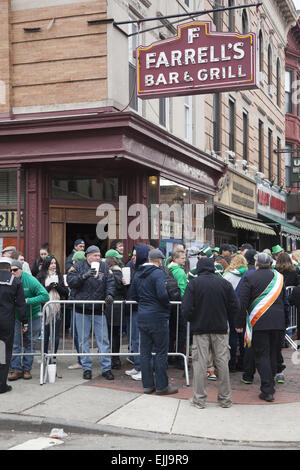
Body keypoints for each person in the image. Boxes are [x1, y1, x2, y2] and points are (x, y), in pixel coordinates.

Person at [182, 257, 240, 409]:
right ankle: (225, 399)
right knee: (222, 362)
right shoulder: (224, 283)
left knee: (199, 363)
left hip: (200, 328)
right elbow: (235, 305)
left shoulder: (194, 284)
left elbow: (186, 308)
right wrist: (226, 316)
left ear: (199, 269)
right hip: (220, 327)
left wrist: (193, 319)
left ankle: (199, 399)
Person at [236, 253, 289, 402]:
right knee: (273, 353)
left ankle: (267, 390)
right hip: (278, 323)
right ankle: (270, 382)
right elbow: (285, 302)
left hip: (259, 323)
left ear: (256, 263)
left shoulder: (249, 277)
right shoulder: (279, 278)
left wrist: (239, 324)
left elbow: (243, 302)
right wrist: (285, 321)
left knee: (262, 355)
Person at [129, 248, 178, 395]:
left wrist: (144, 304)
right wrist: (167, 306)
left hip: (142, 315)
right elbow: (162, 294)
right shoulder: (158, 273)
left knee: (145, 352)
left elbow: (133, 294)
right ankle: (162, 386)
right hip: (158, 316)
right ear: (158, 260)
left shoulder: (138, 273)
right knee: (161, 352)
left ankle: (147, 385)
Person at [67, 245, 115, 381]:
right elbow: (70, 281)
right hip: (81, 310)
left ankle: (106, 368)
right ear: (88, 256)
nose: (98, 258)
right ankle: (86, 368)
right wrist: (84, 276)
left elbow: (110, 282)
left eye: (99, 256)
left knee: (103, 340)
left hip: (99, 309)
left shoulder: (104, 267)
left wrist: (110, 294)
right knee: (83, 341)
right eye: (95, 256)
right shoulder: (78, 266)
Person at [9, 261, 50, 381]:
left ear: (21, 270)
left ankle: (27, 369)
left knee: (31, 342)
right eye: (10, 270)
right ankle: (16, 369)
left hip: (33, 315)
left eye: (15, 270)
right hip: (15, 316)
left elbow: (45, 296)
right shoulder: (8, 280)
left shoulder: (30, 280)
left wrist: (27, 301)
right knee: (15, 343)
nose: (12, 272)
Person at [0, 257, 27, 394]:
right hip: (6, 322)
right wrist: (24, 322)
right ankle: (1, 385)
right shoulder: (15, 281)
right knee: (3, 352)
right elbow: (21, 305)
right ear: (10, 268)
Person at [125, 245, 150, 380]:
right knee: (133, 339)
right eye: (132, 255)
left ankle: (142, 368)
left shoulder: (146, 270)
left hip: (141, 309)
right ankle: (137, 365)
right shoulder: (131, 266)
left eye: (135, 255)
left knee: (140, 340)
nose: (133, 258)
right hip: (132, 309)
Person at [37, 256, 69, 357]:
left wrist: (57, 286)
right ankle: (45, 355)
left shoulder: (59, 276)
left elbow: (66, 293)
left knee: (55, 335)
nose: (53, 265)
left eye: (55, 263)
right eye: (51, 263)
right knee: (46, 335)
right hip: (44, 309)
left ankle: (53, 356)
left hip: (57, 309)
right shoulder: (40, 276)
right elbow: (38, 292)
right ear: (46, 264)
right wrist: (50, 287)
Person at [223, 254, 248, 372]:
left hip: (231, 307)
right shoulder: (248, 274)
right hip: (244, 308)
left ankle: (231, 362)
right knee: (243, 335)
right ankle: (243, 362)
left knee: (232, 334)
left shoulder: (227, 275)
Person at [105, 249, 127, 370]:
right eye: (116, 258)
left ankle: (114, 358)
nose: (118, 260)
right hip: (112, 306)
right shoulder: (112, 272)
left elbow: (121, 287)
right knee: (112, 334)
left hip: (116, 306)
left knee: (113, 334)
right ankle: (113, 358)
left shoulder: (117, 271)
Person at [168, 249, 188, 370]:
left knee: (171, 332)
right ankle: (180, 359)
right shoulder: (180, 272)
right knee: (181, 332)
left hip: (170, 305)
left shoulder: (167, 269)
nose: (184, 260)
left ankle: (170, 355)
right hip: (179, 305)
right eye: (182, 258)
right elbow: (183, 290)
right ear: (175, 259)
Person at [67, 250, 86, 370]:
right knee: (76, 333)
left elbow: (73, 286)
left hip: (78, 307)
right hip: (76, 306)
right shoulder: (82, 272)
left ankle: (81, 360)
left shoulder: (75, 272)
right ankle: (82, 359)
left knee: (77, 333)